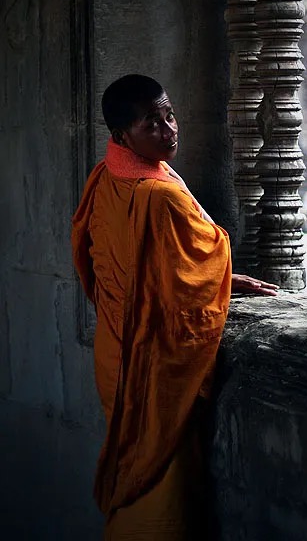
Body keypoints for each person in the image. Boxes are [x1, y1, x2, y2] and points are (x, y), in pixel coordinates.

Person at [71, 74, 278, 540]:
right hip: (154, 362)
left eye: (169, 115)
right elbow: (203, 255)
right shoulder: (159, 195)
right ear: (123, 135)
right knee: (163, 488)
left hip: (115, 352)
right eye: (151, 123)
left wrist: (221, 279)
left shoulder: (105, 175)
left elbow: (126, 264)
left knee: (135, 467)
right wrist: (219, 271)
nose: (168, 130)